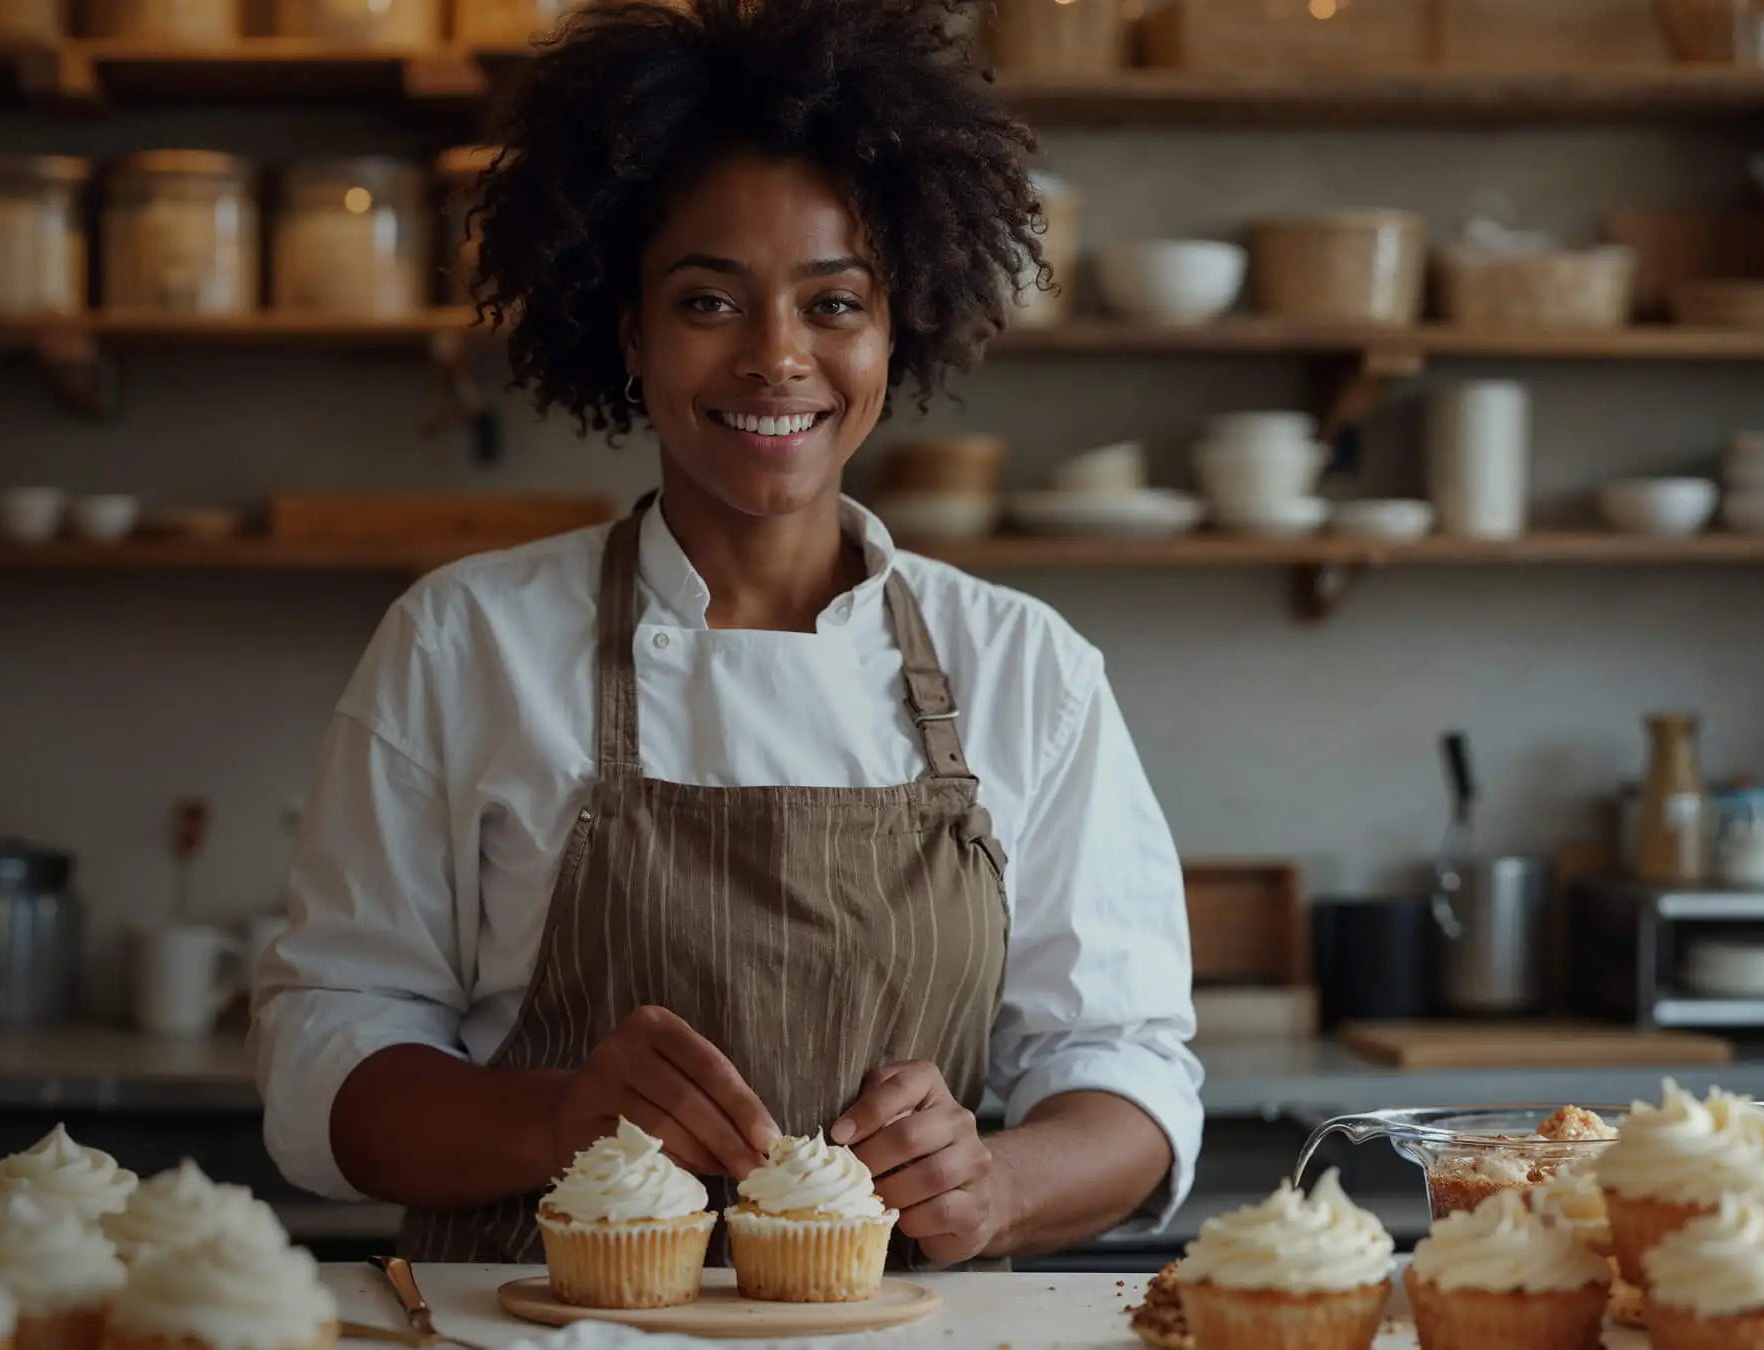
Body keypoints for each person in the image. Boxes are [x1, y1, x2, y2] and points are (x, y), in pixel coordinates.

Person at [253, 0, 1201, 1269]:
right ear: (629, 331)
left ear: (895, 327)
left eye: (833, 303)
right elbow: (328, 1056)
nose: (776, 358)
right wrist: (556, 1117)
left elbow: (1129, 1069)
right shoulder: (463, 643)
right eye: (710, 301)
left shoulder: (1026, 669)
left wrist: (1001, 1183)